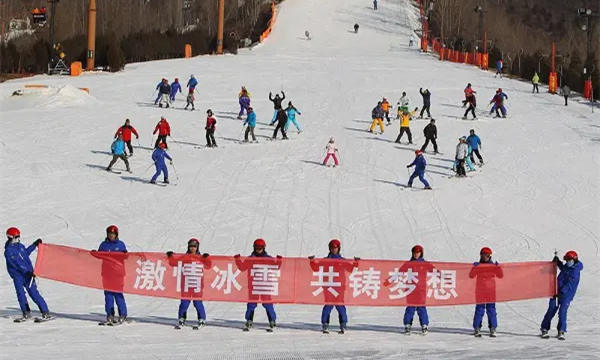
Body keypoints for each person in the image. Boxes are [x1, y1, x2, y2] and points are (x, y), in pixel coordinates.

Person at [308, 239, 358, 334]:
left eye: (335, 248)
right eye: (332, 248)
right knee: (328, 305)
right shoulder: (326, 260)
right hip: (329, 286)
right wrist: (312, 261)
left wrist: (356, 263)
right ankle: (325, 324)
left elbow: (351, 269)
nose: (333, 249)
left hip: (339, 287)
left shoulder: (342, 260)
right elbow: (316, 269)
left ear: (338, 249)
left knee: (340, 306)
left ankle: (343, 324)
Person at [4, 227, 51, 322]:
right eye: (16, 236)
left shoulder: (20, 246)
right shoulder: (8, 251)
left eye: (19, 236)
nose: (18, 238)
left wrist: (34, 245)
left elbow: (25, 253)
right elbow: (17, 264)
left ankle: (45, 312)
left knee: (34, 293)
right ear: (10, 237)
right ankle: (26, 313)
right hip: (18, 275)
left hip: (28, 274)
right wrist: (28, 271)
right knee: (21, 294)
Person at [235, 239, 280, 331]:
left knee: (267, 303)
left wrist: (279, 261)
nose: (258, 249)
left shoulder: (268, 258)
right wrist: (237, 260)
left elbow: (276, 267)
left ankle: (272, 320)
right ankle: (249, 320)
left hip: (264, 285)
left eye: (260, 248)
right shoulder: (250, 258)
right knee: (251, 303)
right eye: (257, 247)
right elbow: (242, 267)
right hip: (254, 285)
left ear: (263, 248)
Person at [166, 238, 210, 328]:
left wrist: (207, 258)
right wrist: (170, 256)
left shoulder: (201, 258)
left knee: (197, 302)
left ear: (197, 247)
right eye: (191, 246)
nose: (192, 248)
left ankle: (202, 318)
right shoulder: (184, 257)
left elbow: (208, 265)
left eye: (194, 246)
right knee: (184, 302)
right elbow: (174, 263)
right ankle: (182, 318)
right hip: (186, 284)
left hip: (197, 284)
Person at [541, 250, 583, 340]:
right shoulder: (568, 267)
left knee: (562, 312)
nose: (567, 262)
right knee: (551, 310)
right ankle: (544, 328)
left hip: (566, 295)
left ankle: (561, 331)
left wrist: (558, 293)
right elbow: (563, 268)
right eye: (566, 260)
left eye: (569, 260)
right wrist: (558, 262)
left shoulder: (575, 272)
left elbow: (569, 285)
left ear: (574, 260)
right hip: (556, 291)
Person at [94, 225, 128, 325]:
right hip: (107, 273)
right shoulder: (104, 245)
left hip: (118, 274)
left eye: (113, 234)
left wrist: (125, 254)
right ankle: (110, 314)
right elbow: (99, 256)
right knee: (108, 295)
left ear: (116, 234)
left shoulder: (120, 244)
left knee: (118, 294)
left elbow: (126, 257)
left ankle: (123, 314)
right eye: (109, 234)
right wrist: (94, 253)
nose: (111, 236)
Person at [469, 247, 503, 337]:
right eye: (484, 255)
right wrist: (474, 268)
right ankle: (477, 327)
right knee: (480, 309)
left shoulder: (492, 266)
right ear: (481, 255)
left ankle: (493, 327)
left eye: (487, 255)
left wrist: (498, 268)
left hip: (491, 290)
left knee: (491, 309)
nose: (485, 257)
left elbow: (500, 275)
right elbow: (471, 276)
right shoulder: (478, 266)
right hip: (480, 290)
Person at [403, 245, 431, 334]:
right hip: (411, 289)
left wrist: (445, 278)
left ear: (421, 253)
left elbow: (434, 270)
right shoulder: (408, 264)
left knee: (421, 307)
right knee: (410, 307)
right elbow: (399, 272)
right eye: (414, 253)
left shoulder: (425, 264)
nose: (416, 255)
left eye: (418, 253)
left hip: (421, 289)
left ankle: (424, 325)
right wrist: (388, 281)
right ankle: (407, 324)